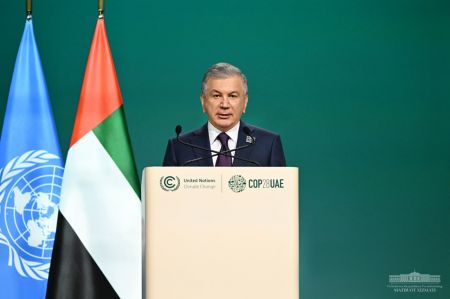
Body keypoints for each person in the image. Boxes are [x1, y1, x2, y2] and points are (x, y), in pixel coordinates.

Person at [163, 62, 286, 166]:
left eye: (233, 96)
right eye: (216, 96)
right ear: (203, 101)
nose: (225, 104)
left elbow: (281, 194)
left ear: (245, 102)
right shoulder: (179, 147)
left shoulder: (268, 144)